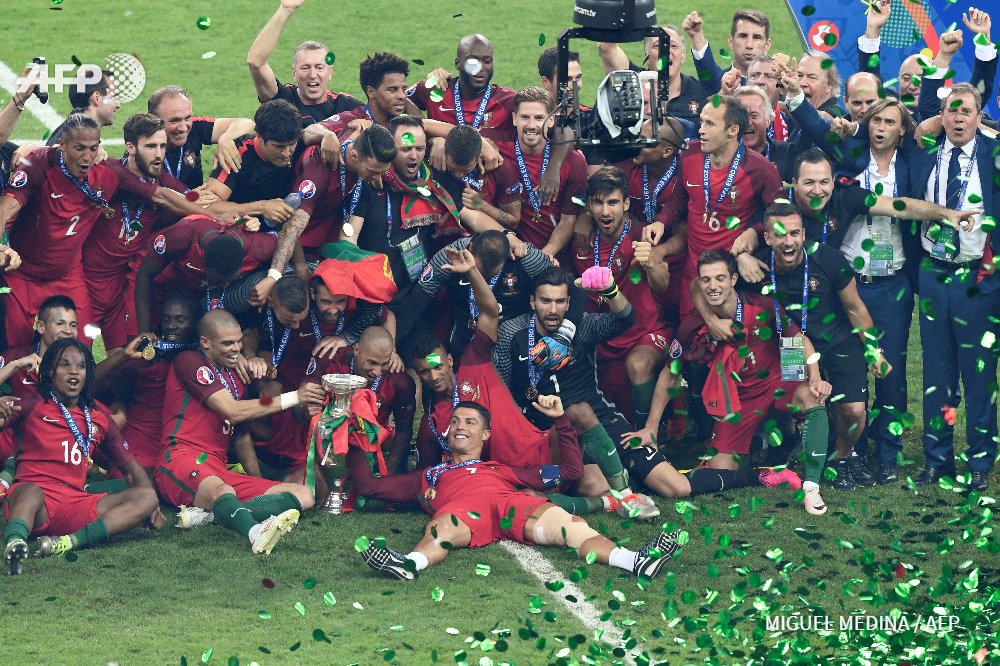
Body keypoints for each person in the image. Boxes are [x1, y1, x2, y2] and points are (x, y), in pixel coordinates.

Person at [358, 400, 680, 581]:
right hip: (462, 512)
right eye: (456, 421)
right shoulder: (426, 476)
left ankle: (635, 560)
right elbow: (369, 486)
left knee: (569, 527)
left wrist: (561, 423)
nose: (460, 426)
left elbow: (570, 472)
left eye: (470, 422)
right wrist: (352, 436)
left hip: (509, 503)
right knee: (440, 529)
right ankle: (409, 565)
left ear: (485, 435)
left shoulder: (501, 469)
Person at [0, 114, 211, 348]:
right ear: (62, 146)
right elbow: (5, 209)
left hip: (71, 275)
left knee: (80, 347)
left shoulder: (108, 173)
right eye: (79, 148)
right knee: (16, 346)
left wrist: (220, 214)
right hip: (23, 270)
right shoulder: (41, 163)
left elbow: (165, 194)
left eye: (93, 149)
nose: (87, 157)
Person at [738, 203, 890, 489]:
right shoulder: (756, 269)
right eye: (780, 235)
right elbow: (709, 276)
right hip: (790, 347)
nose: (788, 241)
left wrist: (875, 350)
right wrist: (740, 256)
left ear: (803, 233)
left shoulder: (828, 259)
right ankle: (791, 442)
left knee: (854, 411)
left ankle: (841, 458)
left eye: (795, 233)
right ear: (768, 238)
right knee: (799, 405)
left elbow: (855, 308)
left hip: (838, 341)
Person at [496, 267, 665, 516]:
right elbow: (503, 388)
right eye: (545, 301)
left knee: (674, 486)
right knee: (594, 483)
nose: (552, 310)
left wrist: (610, 289)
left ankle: (625, 491)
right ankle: (620, 495)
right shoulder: (511, 332)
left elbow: (626, 319)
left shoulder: (581, 325)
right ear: (532, 302)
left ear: (568, 304)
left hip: (595, 421)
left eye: (560, 301)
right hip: (542, 433)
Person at [154, 310, 326, 552]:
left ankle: (210, 516)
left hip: (217, 467)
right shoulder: (189, 361)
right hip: (181, 458)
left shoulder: (235, 377)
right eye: (227, 343)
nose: (236, 349)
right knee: (222, 490)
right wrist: (294, 397)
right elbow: (232, 411)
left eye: (238, 342)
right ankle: (255, 533)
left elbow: (242, 436)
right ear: (205, 342)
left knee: (304, 495)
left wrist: (257, 481)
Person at [684, 250, 833, 514]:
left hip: (775, 383)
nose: (713, 286)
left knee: (812, 395)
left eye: (720, 278)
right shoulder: (695, 323)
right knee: (720, 470)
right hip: (739, 399)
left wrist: (816, 378)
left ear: (733, 279)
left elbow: (798, 340)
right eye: (706, 280)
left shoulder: (762, 306)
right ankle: (762, 450)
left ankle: (811, 486)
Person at [1, 340, 158, 575]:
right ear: (50, 371)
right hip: (36, 505)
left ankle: (68, 542)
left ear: (88, 374)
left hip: (77, 505)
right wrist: (11, 371)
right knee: (29, 490)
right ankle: (15, 543)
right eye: (65, 365)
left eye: (81, 366)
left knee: (147, 496)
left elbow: (132, 470)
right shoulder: (32, 403)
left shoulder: (98, 417)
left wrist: (152, 508)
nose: (74, 371)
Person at [911, 83, 999, 492]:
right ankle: (938, 458)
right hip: (933, 273)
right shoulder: (925, 152)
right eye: (952, 111)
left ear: (979, 118)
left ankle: (980, 460)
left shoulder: (992, 155)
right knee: (938, 373)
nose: (959, 118)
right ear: (941, 117)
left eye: (967, 112)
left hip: (977, 279)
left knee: (978, 375)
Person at [642, 94, 782, 316]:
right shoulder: (688, 154)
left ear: (733, 130)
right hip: (694, 271)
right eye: (702, 122)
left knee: (727, 338)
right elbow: (679, 198)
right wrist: (661, 221)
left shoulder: (761, 170)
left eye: (709, 124)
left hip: (729, 275)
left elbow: (778, 214)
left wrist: (753, 232)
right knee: (693, 338)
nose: (701, 130)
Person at [82, 113, 198, 353]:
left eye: (163, 146)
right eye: (151, 146)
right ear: (130, 147)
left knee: (124, 358)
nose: (158, 154)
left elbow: (194, 198)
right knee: (74, 353)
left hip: (121, 288)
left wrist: (240, 210)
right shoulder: (111, 170)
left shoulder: (162, 178)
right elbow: (164, 196)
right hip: (84, 281)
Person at [251, 124, 397, 308]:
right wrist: (278, 274)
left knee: (377, 286)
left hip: (331, 245)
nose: (378, 179)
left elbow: (316, 124)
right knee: (293, 298)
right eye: (374, 172)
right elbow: (292, 226)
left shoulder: (354, 133)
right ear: (354, 156)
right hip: (296, 249)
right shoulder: (318, 169)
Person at [571, 167, 671, 426]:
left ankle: (649, 439)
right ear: (589, 205)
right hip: (603, 337)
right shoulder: (581, 237)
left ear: (626, 203)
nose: (606, 212)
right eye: (599, 203)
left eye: (613, 202)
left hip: (644, 331)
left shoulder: (642, 236)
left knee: (638, 365)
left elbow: (662, 285)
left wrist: (650, 263)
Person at [94, 293, 199, 477]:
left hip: (181, 438)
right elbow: (91, 386)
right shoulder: (148, 356)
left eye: (180, 320)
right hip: (140, 435)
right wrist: (124, 355)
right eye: (166, 319)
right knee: (126, 478)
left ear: (195, 324)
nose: (172, 326)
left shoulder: (203, 357)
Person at [132, 215, 278, 333]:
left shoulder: (257, 246)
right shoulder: (181, 236)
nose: (225, 285)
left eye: (230, 280)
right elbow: (145, 273)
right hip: (167, 284)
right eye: (220, 281)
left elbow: (288, 238)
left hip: (203, 298)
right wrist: (143, 332)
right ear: (203, 263)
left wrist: (275, 276)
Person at [492, 87, 588, 259]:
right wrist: (438, 141)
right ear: (514, 119)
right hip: (509, 254)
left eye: (539, 118)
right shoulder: (496, 148)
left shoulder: (574, 162)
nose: (531, 125)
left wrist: (544, 256)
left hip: (554, 256)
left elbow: (568, 220)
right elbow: (461, 135)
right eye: (524, 117)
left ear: (551, 120)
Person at [246, 0, 362, 125]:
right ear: (294, 73)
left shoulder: (347, 106)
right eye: (305, 68)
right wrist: (285, 10)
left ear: (330, 72)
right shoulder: (281, 99)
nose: (312, 74)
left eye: (319, 67)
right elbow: (255, 63)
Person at [201, 100, 303, 217]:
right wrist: (261, 207)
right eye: (278, 146)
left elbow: (319, 130)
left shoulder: (301, 140)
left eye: (291, 145)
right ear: (259, 137)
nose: (286, 153)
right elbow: (210, 206)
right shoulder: (236, 153)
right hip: (241, 224)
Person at [408, 34, 517, 142]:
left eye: (487, 61)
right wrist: (432, 140)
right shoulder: (435, 89)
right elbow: (397, 98)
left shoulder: (507, 100)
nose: (480, 68)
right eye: (472, 62)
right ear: (457, 63)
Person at [147, 85, 257, 190]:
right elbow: (154, 197)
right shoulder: (141, 149)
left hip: (197, 204)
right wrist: (189, 199)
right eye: (174, 120)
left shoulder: (195, 127)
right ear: (153, 120)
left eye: (187, 118)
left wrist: (225, 139)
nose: (184, 128)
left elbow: (247, 124)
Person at [596, 25, 704, 127]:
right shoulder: (633, 82)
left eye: (674, 46)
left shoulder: (699, 90)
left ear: (683, 56)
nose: (665, 50)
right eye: (657, 46)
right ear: (646, 56)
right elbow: (606, 46)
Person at [0, 295, 77, 400]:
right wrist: (14, 366)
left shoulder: (79, 366)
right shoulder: (15, 357)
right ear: (41, 327)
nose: (68, 331)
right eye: (60, 324)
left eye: (73, 325)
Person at [683, 10, 771, 95]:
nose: (749, 45)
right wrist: (696, 36)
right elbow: (707, 68)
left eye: (757, 37)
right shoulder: (718, 82)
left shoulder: (778, 85)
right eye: (743, 36)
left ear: (767, 45)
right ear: (731, 41)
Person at [46, 68, 119, 146]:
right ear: (96, 98)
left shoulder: (72, 133)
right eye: (113, 98)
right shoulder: (78, 144)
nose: (118, 105)